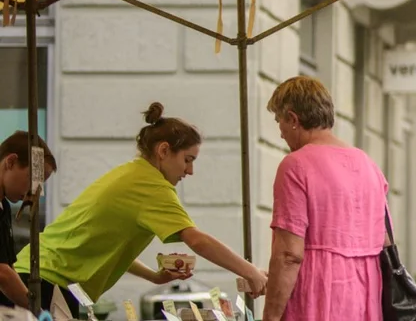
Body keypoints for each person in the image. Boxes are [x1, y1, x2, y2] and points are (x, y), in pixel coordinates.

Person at [15, 103, 266, 319]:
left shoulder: (131, 173)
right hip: (46, 279)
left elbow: (110, 245)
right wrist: (249, 271)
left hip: (41, 274)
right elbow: (197, 240)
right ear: (164, 151)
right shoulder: (152, 186)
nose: (189, 172)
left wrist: (155, 277)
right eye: (188, 160)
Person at [260, 76, 390, 321]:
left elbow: (289, 254)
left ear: (293, 119)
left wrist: (270, 316)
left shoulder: (295, 166)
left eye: (279, 122)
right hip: (366, 302)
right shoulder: (369, 165)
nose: (281, 134)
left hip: (317, 299)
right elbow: (385, 243)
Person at [0, 132, 54, 310]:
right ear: (11, 162)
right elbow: (3, 274)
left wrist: (35, 309)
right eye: (32, 179)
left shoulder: (4, 207)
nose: (33, 191)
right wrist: (37, 311)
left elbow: (7, 267)